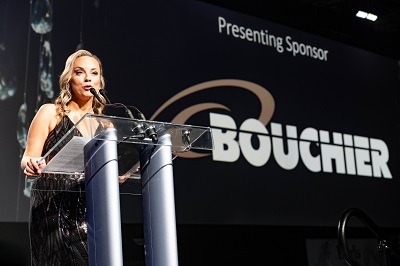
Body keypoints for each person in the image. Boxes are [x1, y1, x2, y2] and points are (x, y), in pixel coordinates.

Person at [21, 49, 107, 265]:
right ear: (69, 79)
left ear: (100, 81)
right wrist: (31, 164)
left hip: (90, 212)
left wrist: (119, 174)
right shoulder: (51, 113)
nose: (88, 78)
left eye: (94, 73)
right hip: (52, 210)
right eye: (80, 72)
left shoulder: (107, 126)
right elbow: (28, 157)